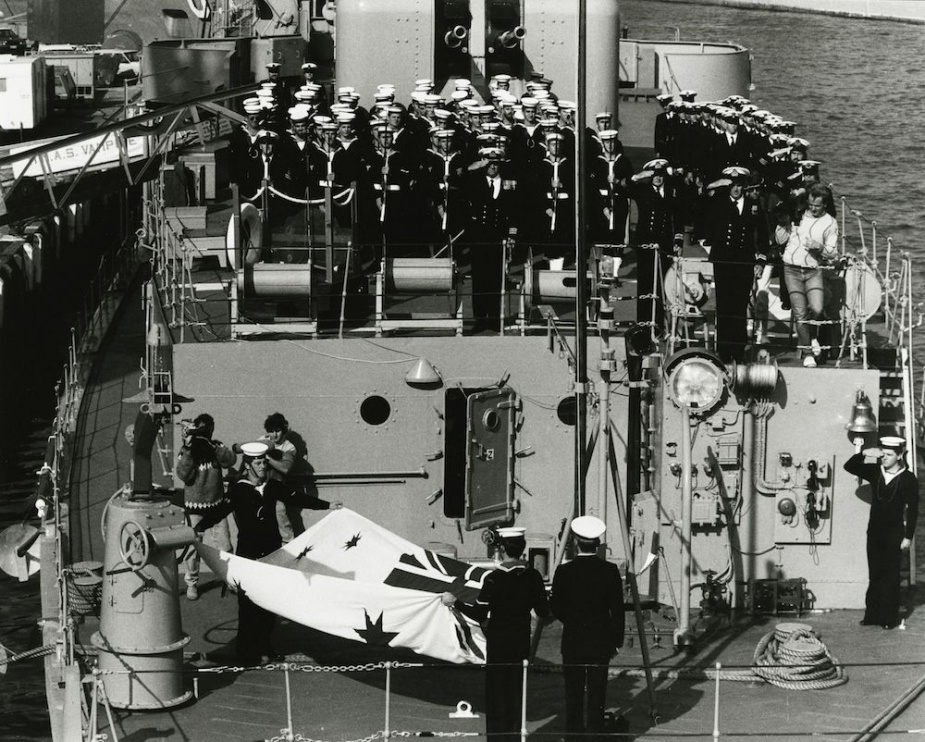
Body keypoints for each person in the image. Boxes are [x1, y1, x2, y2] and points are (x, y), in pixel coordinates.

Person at [195, 442, 334, 664]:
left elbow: (297, 497)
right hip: (249, 556)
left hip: (271, 554)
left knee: (269, 604)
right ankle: (245, 652)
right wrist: (199, 527)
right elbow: (221, 510)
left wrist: (327, 505)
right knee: (248, 606)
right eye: (259, 462)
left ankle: (266, 647)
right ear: (248, 464)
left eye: (264, 462)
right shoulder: (240, 490)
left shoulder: (272, 487)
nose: (263, 466)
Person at [441, 527, 550, 742]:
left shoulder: (494, 578)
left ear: (501, 548)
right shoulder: (534, 577)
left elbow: (479, 613)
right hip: (520, 643)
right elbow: (543, 612)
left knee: (496, 696)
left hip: (499, 644)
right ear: (523, 548)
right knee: (515, 695)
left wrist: (456, 603)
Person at [550, 516, 624, 742]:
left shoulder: (564, 572)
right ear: (598, 542)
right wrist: (616, 640)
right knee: (597, 694)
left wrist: (572, 621)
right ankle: (595, 736)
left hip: (573, 640)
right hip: (600, 641)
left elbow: (556, 607)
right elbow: (618, 610)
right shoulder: (610, 571)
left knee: (573, 694)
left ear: (575, 542)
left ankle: (573, 737)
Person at [844, 436, 919, 630]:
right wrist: (864, 453)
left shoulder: (909, 479)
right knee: (875, 573)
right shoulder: (876, 473)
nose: (884, 458)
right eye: (882, 454)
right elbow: (849, 466)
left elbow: (913, 510)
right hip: (875, 532)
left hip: (894, 533)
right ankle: (872, 615)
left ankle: (888, 618)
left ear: (900, 455)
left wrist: (908, 537)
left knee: (890, 575)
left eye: (889, 454)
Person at [175, 414, 237, 600]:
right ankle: (192, 584)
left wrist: (212, 447)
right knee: (193, 548)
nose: (205, 433)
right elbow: (183, 475)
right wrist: (189, 449)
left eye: (207, 430)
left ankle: (230, 580)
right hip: (194, 509)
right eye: (201, 429)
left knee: (225, 546)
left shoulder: (216, 446)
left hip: (217, 506)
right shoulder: (188, 449)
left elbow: (230, 460)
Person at [781, 183, 838, 367]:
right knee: (800, 313)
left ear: (825, 205)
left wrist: (819, 247)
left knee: (817, 308)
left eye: (817, 205)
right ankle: (807, 353)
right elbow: (780, 226)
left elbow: (832, 252)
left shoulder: (830, 223)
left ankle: (812, 335)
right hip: (791, 269)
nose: (812, 208)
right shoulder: (798, 214)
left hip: (813, 270)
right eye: (811, 204)